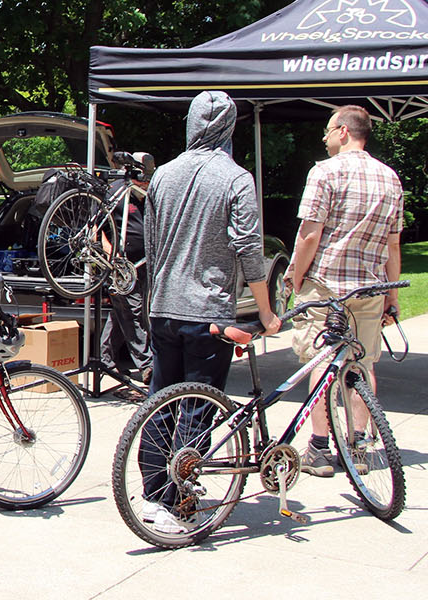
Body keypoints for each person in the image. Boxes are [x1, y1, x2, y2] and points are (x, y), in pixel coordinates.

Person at [138, 90, 281, 534]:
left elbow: (151, 243)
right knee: (198, 406)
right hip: (208, 310)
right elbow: (249, 249)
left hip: (163, 305)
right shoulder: (236, 178)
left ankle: (150, 490)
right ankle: (176, 497)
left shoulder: (163, 174)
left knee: (160, 400)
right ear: (230, 128)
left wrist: (158, 291)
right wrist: (266, 310)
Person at [284, 104, 403, 478]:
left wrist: (296, 277)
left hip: (326, 286)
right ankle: (359, 446)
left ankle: (319, 449)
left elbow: (310, 234)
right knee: (362, 365)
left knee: (320, 362)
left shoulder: (324, 172)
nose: (323, 137)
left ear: (342, 132)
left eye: (327, 130)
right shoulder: (390, 178)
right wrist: (393, 297)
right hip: (370, 287)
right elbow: (393, 244)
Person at [99, 153, 153, 400]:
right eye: (143, 173)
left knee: (120, 313)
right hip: (121, 265)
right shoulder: (115, 192)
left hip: (144, 264)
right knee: (132, 311)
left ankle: (105, 362)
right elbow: (98, 229)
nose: (145, 178)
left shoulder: (146, 193)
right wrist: (113, 259)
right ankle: (147, 366)